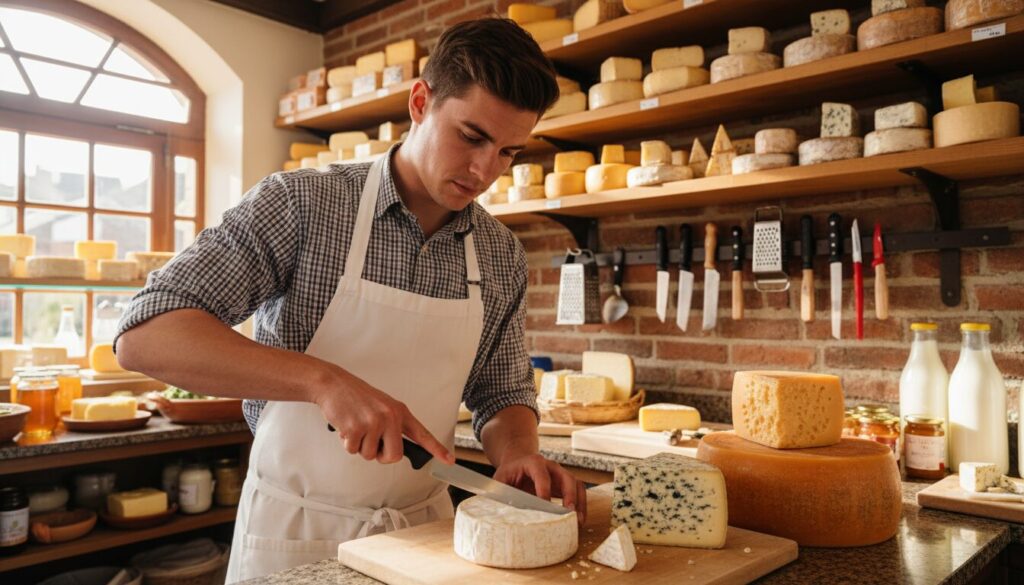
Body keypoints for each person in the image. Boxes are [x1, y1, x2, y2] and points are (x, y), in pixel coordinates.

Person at [114, 17, 587, 583]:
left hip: (424, 536)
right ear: (420, 102)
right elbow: (145, 334)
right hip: (295, 533)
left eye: (509, 152)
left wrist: (516, 454)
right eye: (471, 137)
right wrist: (324, 381)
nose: (486, 170)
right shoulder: (302, 205)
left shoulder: (500, 254)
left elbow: (501, 390)